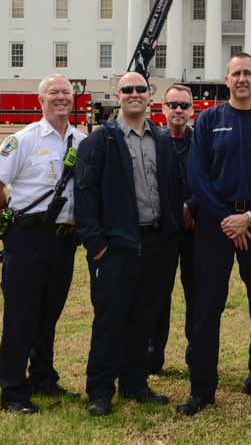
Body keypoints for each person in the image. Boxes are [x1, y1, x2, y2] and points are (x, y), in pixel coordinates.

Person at [177, 53, 251, 418]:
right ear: (226, 80)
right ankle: (202, 390)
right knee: (207, 308)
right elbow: (198, 177)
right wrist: (228, 218)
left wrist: (250, 216)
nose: (242, 79)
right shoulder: (209, 119)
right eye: (235, 73)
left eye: (248, 73)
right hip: (215, 223)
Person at [74, 71, 183, 417]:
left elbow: (173, 189)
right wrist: (97, 246)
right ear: (117, 96)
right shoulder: (100, 141)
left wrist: (172, 236)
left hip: (157, 246)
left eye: (140, 89)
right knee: (111, 319)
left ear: (150, 95)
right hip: (117, 248)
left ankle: (135, 383)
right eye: (127, 89)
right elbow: (85, 194)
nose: (134, 94)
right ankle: (101, 389)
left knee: (144, 319)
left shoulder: (162, 140)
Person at [0, 74, 86, 414]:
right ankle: (12, 391)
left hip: (64, 240)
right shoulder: (22, 140)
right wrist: (12, 218)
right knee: (21, 315)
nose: (60, 97)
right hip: (27, 238)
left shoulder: (82, 142)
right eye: (53, 92)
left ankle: (42, 377)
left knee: (48, 314)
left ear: (73, 100)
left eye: (66, 93)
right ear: (40, 100)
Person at [148, 84, 198, 374]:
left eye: (184, 106)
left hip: (196, 228)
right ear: (162, 108)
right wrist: (173, 209)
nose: (178, 110)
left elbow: (210, 179)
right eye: (173, 105)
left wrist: (191, 206)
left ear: (192, 110)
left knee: (197, 294)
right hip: (162, 229)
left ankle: (195, 355)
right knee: (158, 294)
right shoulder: (154, 141)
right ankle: (153, 357)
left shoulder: (201, 141)